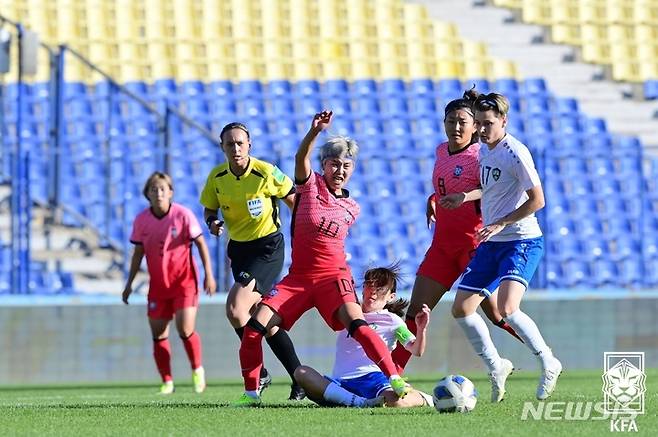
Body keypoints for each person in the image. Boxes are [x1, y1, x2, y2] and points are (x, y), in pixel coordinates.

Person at [233, 111, 412, 407]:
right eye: (334, 164)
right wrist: (314, 132)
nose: (339, 170)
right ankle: (251, 394)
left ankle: (393, 376)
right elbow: (300, 156)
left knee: (358, 326)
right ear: (324, 165)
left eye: (346, 165)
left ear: (352, 169)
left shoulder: (353, 207)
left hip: (333, 277)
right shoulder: (309, 185)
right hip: (299, 278)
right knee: (254, 329)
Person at [391, 89, 522, 373]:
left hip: (474, 247)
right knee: (414, 313)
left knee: (498, 314)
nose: (456, 127)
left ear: (475, 125)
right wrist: (433, 199)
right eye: (451, 121)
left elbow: (491, 189)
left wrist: (465, 197)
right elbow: (443, 186)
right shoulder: (441, 151)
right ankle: (391, 376)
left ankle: (541, 357)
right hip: (442, 247)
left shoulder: (481, 155)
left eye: (463, 121)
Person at [450, 92, 562, 403]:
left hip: (522, 240)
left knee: (507, 308)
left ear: (504, 122)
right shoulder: (485, 150)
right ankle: (496, 366)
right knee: (461, 308)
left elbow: (538, 201)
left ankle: (548, 361)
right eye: (480, 124)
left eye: (488, 124)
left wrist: (501, 222)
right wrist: (466, 197)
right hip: (492, 243)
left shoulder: (516, 152)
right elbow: (490, 187)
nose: (483, 130)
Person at [199, 122, 305, 400]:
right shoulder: (217, 177)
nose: (235, 148)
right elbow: (209, 207)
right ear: (222, 147)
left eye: (240, 143)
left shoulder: (265, 172)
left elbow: (295, 199)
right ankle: (299, 377)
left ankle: (259, 373)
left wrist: (303, 235)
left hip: (267, 248)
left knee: (235, 309)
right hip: (239, 251)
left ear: (249, 145)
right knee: (264, 320)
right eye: (229, 144)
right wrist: (212, 222)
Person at [122, 172, 217, 394]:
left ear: (171, 192)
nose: (159, 193)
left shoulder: (183, 215)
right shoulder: (141, 220)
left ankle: (197, 370)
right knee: (158, 334)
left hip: (184, 283)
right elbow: (138, 254)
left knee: (185, 329)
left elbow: (201, 243)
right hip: (158, 286)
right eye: (154, 189)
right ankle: (167, 381)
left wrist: (209, 275)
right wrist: (129, 284)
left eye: (163, 189)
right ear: (147, 194)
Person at [295, 265, 434, 408]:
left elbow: (416, 350)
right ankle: (359, 402)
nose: (373, 292)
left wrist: (421, 329)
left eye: (380, 289)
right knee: (301, 372)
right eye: (369, 285)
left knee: (397, 402)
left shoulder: (393, 321)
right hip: (341, 381)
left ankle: (429, 399)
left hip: (372, 379)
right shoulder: (348, 313)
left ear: (391, 297)